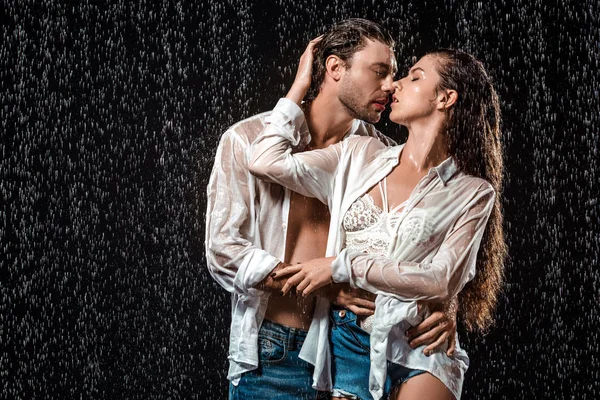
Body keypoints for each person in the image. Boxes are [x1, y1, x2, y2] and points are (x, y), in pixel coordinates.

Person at [206, 19, 458, 399]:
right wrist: (328, 286)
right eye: (379, 71)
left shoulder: (383, 155)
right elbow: (223, 251)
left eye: (394, 74)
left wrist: (446, 308)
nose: (391, 86)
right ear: (335, 68)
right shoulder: (246, 140)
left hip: (357, 353)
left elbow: (430, 237)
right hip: (273, 355)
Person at [249, 40, 506, 400]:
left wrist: (342, 266)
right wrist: (300, 87)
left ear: (445, 99)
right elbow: (264, 160)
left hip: (421, 345)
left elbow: (441, 279)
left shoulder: (474, 192)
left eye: (414, 77)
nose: (394, 85)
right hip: (351, 341)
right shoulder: (361, 154)